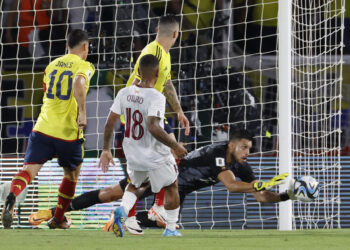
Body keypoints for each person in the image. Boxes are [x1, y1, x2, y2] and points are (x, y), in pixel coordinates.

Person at [28, 129, 294, 234]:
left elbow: (260, 195)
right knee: (110, 193)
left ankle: (117, 222)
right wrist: (256, 185)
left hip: (176, 190)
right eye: (245, 148)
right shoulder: (218, 153)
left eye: (250, 150)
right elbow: (232, 186)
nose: (248, 153)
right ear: (233, 144)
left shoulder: (242, 166)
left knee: (166, 221)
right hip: (161, 172)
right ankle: (51, 214)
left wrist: (285, 196)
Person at [2, 29, 95, 229]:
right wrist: (83, 112)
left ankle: (12, 196)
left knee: (28, 171)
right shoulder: (85, 65)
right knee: (71, 175)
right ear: (85, 47)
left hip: (42, 128)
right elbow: (78, 82)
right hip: (68, 133)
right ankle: (58, 218)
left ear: (66, 46)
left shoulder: (51, 66)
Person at [100, 54, 188, 237]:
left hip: (132, 153)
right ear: (157, 72)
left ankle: (122, 210)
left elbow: (109, 123)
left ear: (138, 71)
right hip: (155, 154)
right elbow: (153, 127)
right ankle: (171, 229)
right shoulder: (157, 97)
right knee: (172, 185)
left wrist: (106, 149)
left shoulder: (124, 93)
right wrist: (175, 145)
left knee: (135, 185)